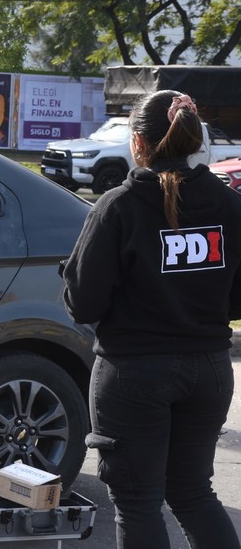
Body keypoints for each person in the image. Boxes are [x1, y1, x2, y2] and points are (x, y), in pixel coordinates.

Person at [63, 91, 241, 549]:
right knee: (193, 493)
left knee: (138, 502)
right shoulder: (228, 205)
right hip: (210, 367)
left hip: (134, 371)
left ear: (138, 143)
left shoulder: (119, 205)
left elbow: (84, 303)